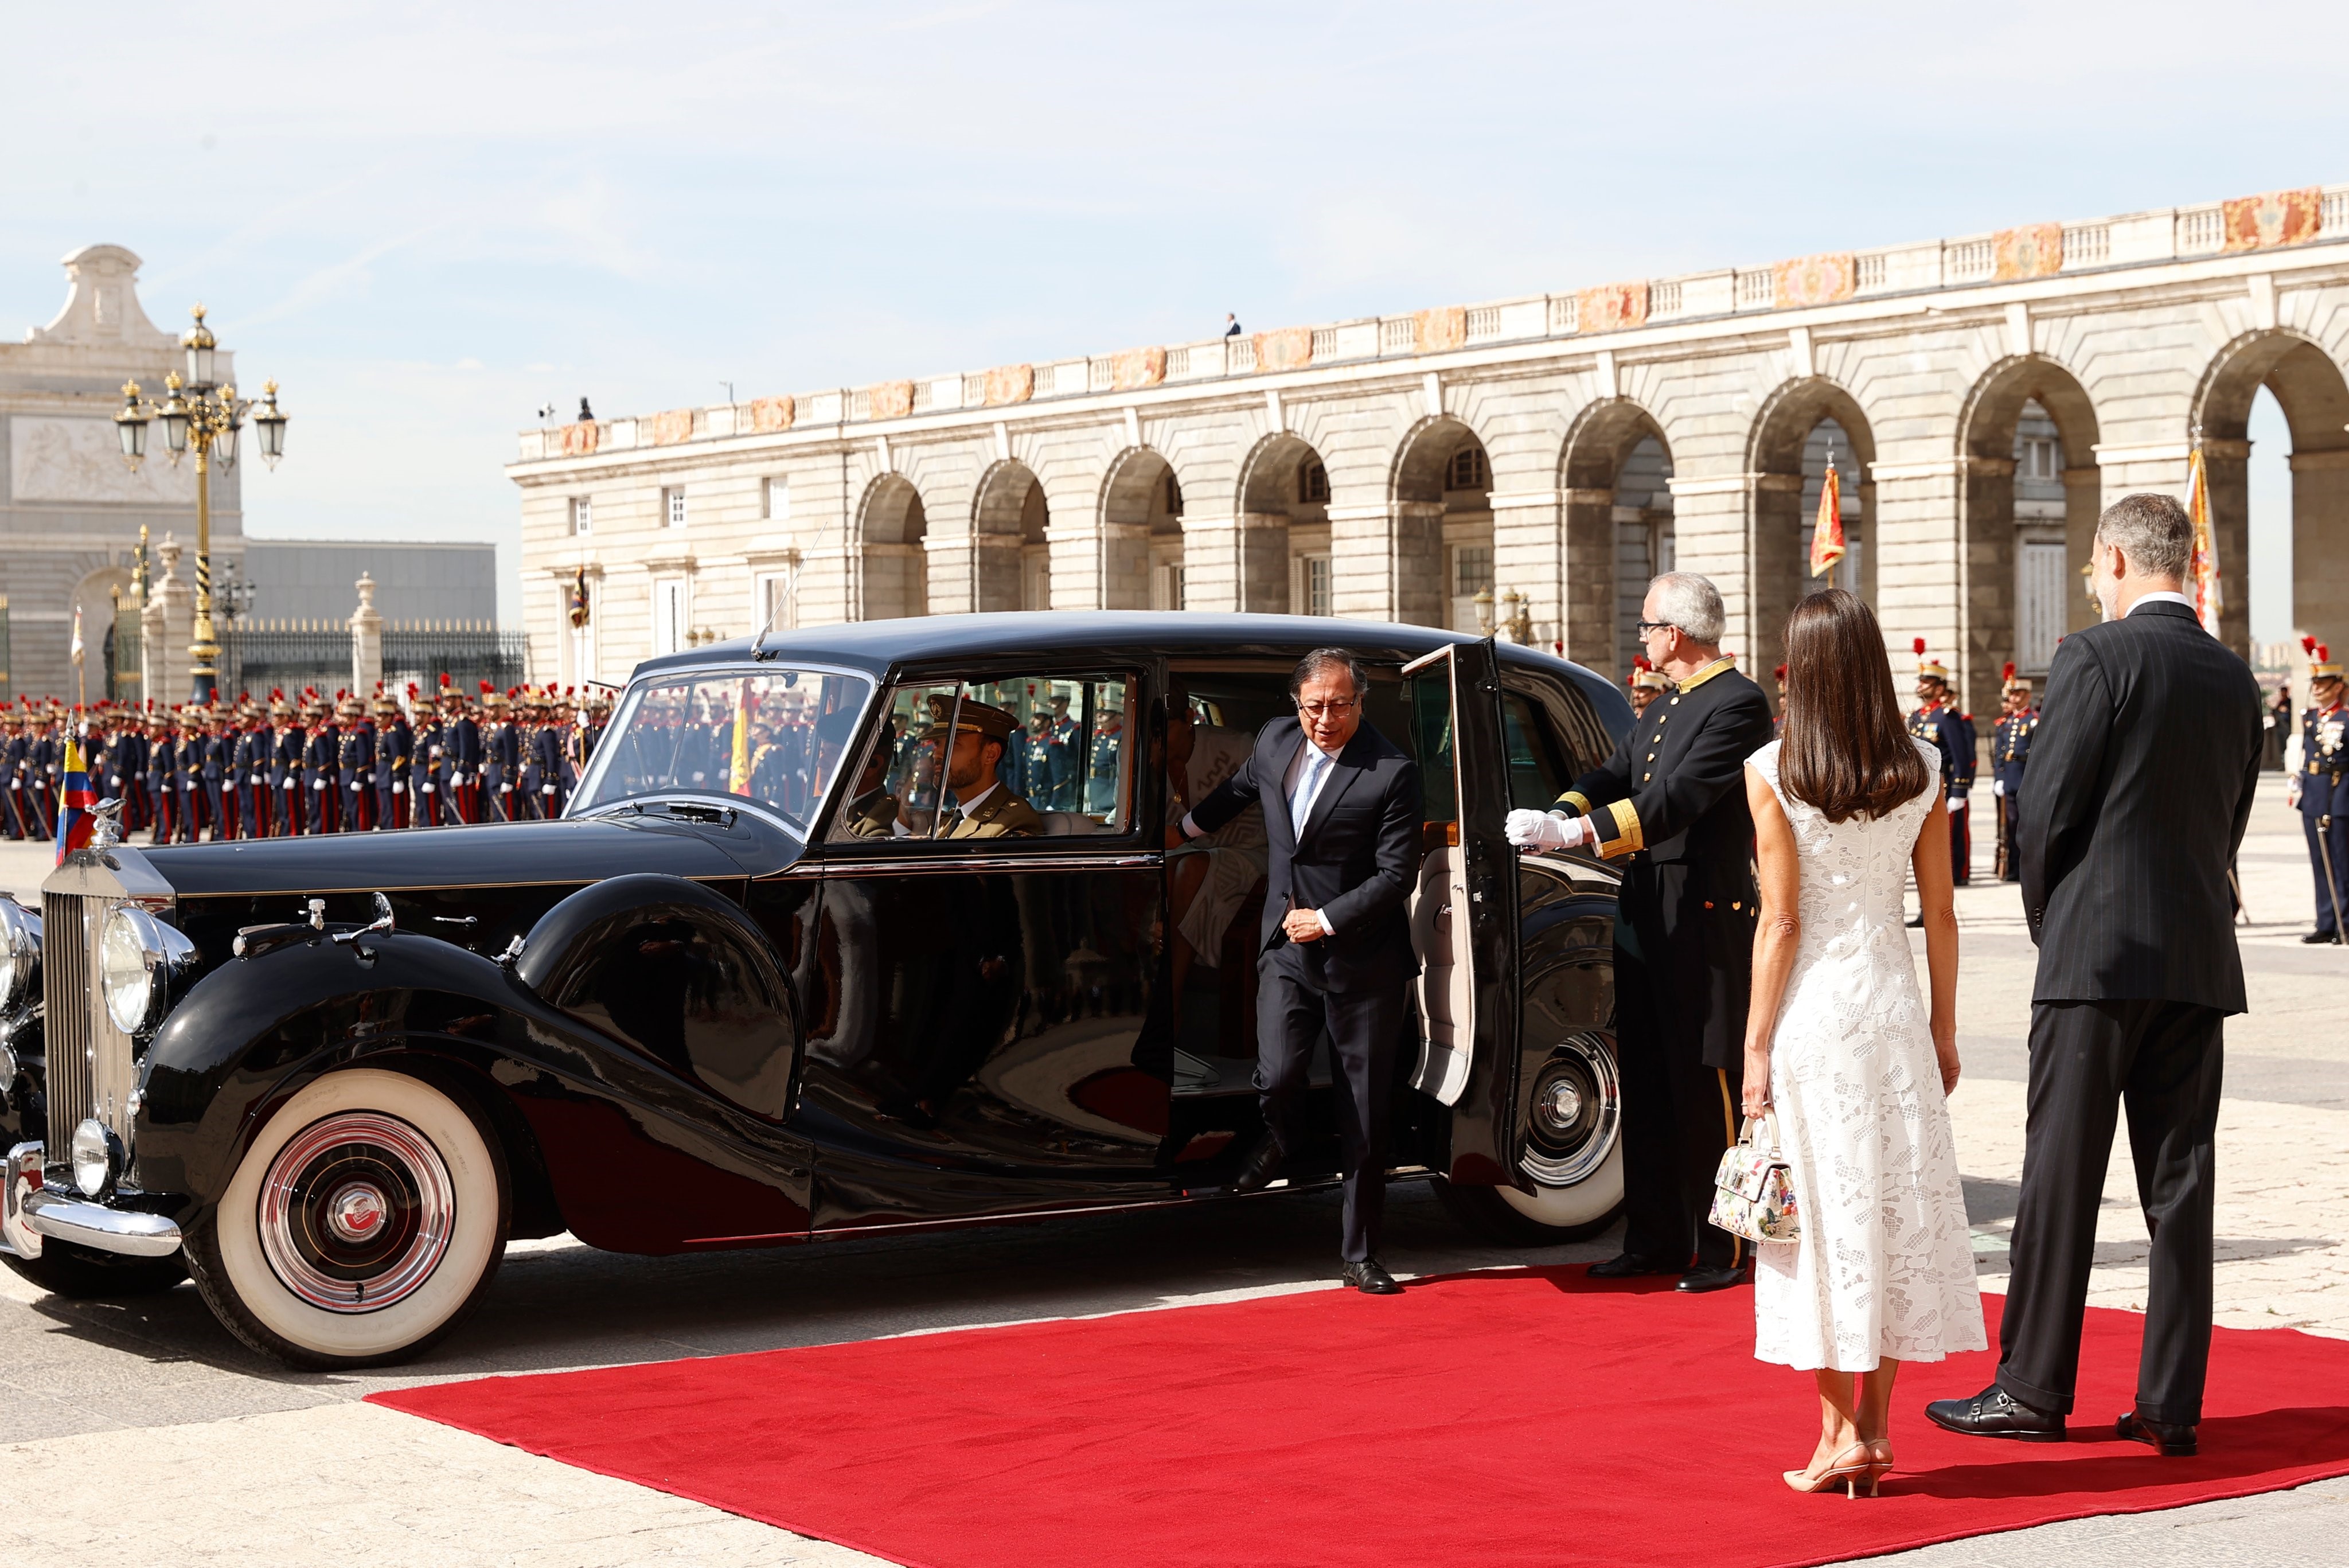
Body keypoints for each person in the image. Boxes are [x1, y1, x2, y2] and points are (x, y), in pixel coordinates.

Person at [1929, 493, 2263, 1459]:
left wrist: (2054, 923)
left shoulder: (2095, 655)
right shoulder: (2234, 677)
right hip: (2197, 958)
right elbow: (2229, 822)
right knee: (2180, 1185)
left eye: (2090, 563)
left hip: (2096, 956)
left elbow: (2046, 813)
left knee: (2061, 1174)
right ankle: (2172, 1403)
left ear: (2114, 557)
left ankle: (2032, 1384)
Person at [1742, 587, 1981, 1497]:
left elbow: (1781, 920)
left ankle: (1833, 1433)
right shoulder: (1922, 764)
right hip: (1891, 1011)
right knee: (1888, 1211)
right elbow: (1944, 913)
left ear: (1801, 669)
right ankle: (1875, 1432)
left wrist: (1756, 1045)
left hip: (1812, 1018)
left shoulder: (1771, 769)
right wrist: (1945, 1026)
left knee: (1818, 1219)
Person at [1510, 572, 1776, 1293]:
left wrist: (1575, 834)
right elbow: (1614, 771)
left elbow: (1677, 799)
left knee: (1704, 1079)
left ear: (1678, 632)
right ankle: (1655, 1238)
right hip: (1645, 906)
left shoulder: (1739, 703)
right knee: (1650, 1081)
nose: (1644, 638)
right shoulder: (1665, 708)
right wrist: (1558, 809)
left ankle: (1726, 1248)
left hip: (1700, 910)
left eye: (1649, 626)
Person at [1181, 648, 1423, 1295]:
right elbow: (1238, 791)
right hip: (1286, 949)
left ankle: (1360, 1252)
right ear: (1296, 704)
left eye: (1340, 705)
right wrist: (1184, 827)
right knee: (1278, 1076)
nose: (1326, 718)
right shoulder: (1274, 740)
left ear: (1359, 703)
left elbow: (1396, 874)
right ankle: (1289, 1142)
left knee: (1365, 1114)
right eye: (1315, 705)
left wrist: (1328, 919)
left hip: (1364, 959)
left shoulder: (1391, 769)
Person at [1907, 645, 1975, 885]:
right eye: (1921, 681)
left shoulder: (1948, 716)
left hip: (1943, 787)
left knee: (1945, 838)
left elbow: (1961, 755)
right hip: (1921, 788)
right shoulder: (1916, 717)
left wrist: (1959, 791)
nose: (1921, 686)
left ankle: (1955, 876)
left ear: (1939, 687)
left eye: (1927, 682)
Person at [2292, 646, 2346, 944]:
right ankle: (2326, 921)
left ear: (2338, 686)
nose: (2316, 689)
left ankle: (2344, 921)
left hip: (2340, 795)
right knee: (2319, 861)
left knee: (2341, 861)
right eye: (2314, 684)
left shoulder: (2347, 718)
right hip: (2314, 795)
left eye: (2322, 684)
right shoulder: (2310, 718)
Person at [931, 697, 1043, 839]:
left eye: (953, 744)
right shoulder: (947, 821)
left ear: (991, 754)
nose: (937, 754)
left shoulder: (1012, 822)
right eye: (937, 743)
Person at [1991, 667, 2035, 884]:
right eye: (2012, 694)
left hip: (2026, 775)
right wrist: (1998, 777)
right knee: (2010, 823)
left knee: (2025, 824)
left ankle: (2025, 867)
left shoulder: (2034, 720)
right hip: (2009, 777)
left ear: (2027, 695)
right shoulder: (2006, 722)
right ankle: (2013, 866)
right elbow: (1999, 752)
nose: (2014, 698)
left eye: (2018, 694)